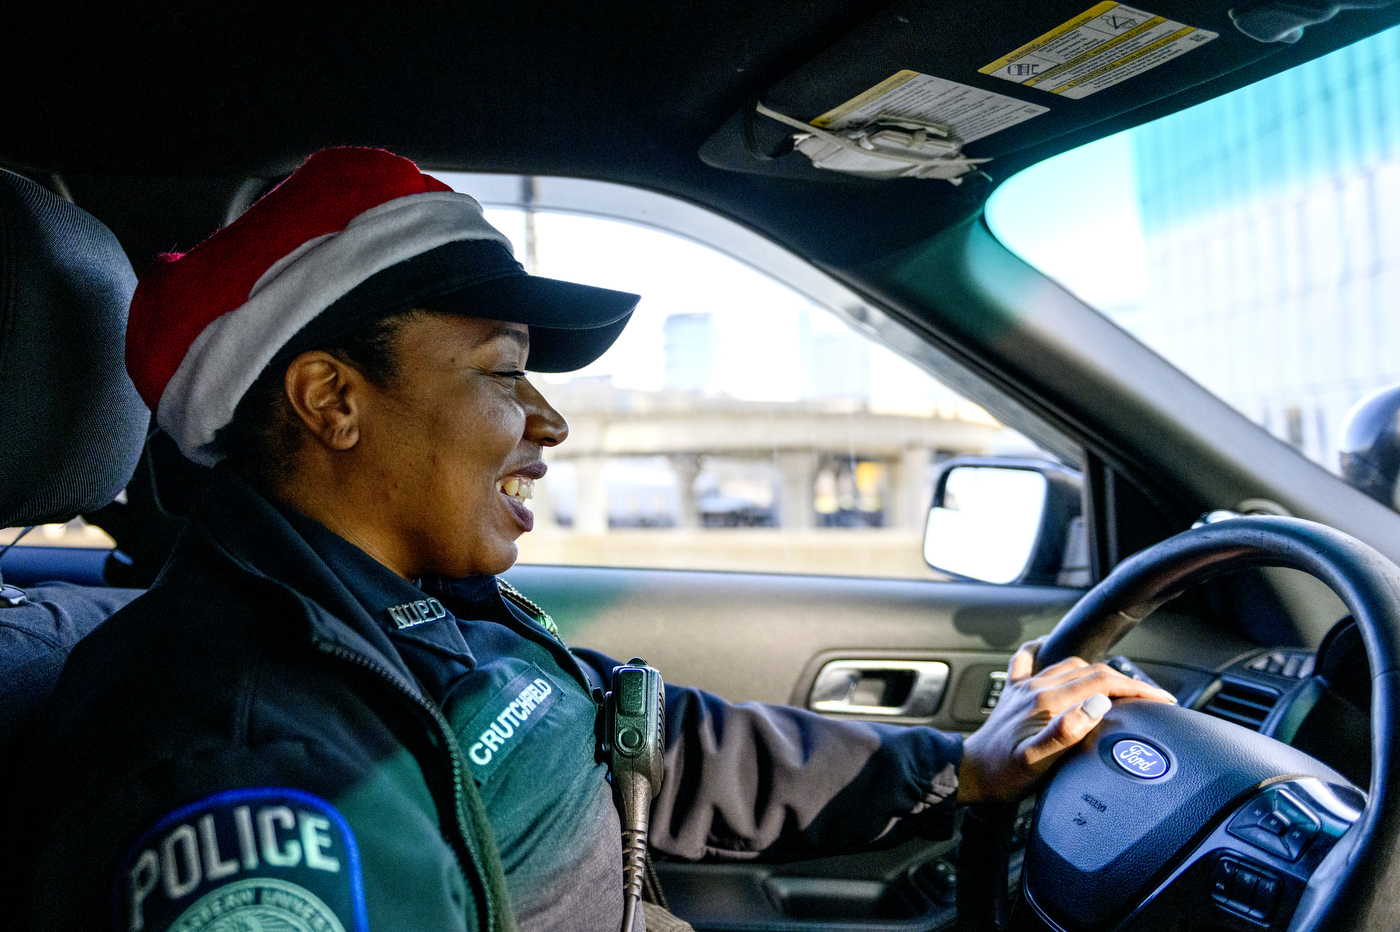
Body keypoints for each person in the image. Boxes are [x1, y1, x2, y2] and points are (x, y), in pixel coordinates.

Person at [6, 148, 1174, 932]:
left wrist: (960, 763)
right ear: (331, 399)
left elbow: (642, 741)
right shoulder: (254, 769)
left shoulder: (417, 608)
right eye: (504, 371)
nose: (549, 418)